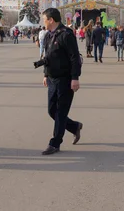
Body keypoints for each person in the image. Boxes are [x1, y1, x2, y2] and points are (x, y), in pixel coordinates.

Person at [40, 8, 82, 155]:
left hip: (65, 79)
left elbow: (74, 58)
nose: (43, 21)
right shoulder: (47, 36)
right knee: (52, 110)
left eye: (44, 19)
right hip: (52, 78)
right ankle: (74, 126)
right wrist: (45, 74)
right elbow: (47, 56)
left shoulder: (66, 34)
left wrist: (75, 78)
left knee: (61, 112)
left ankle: (55, 143)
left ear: (51, 20)